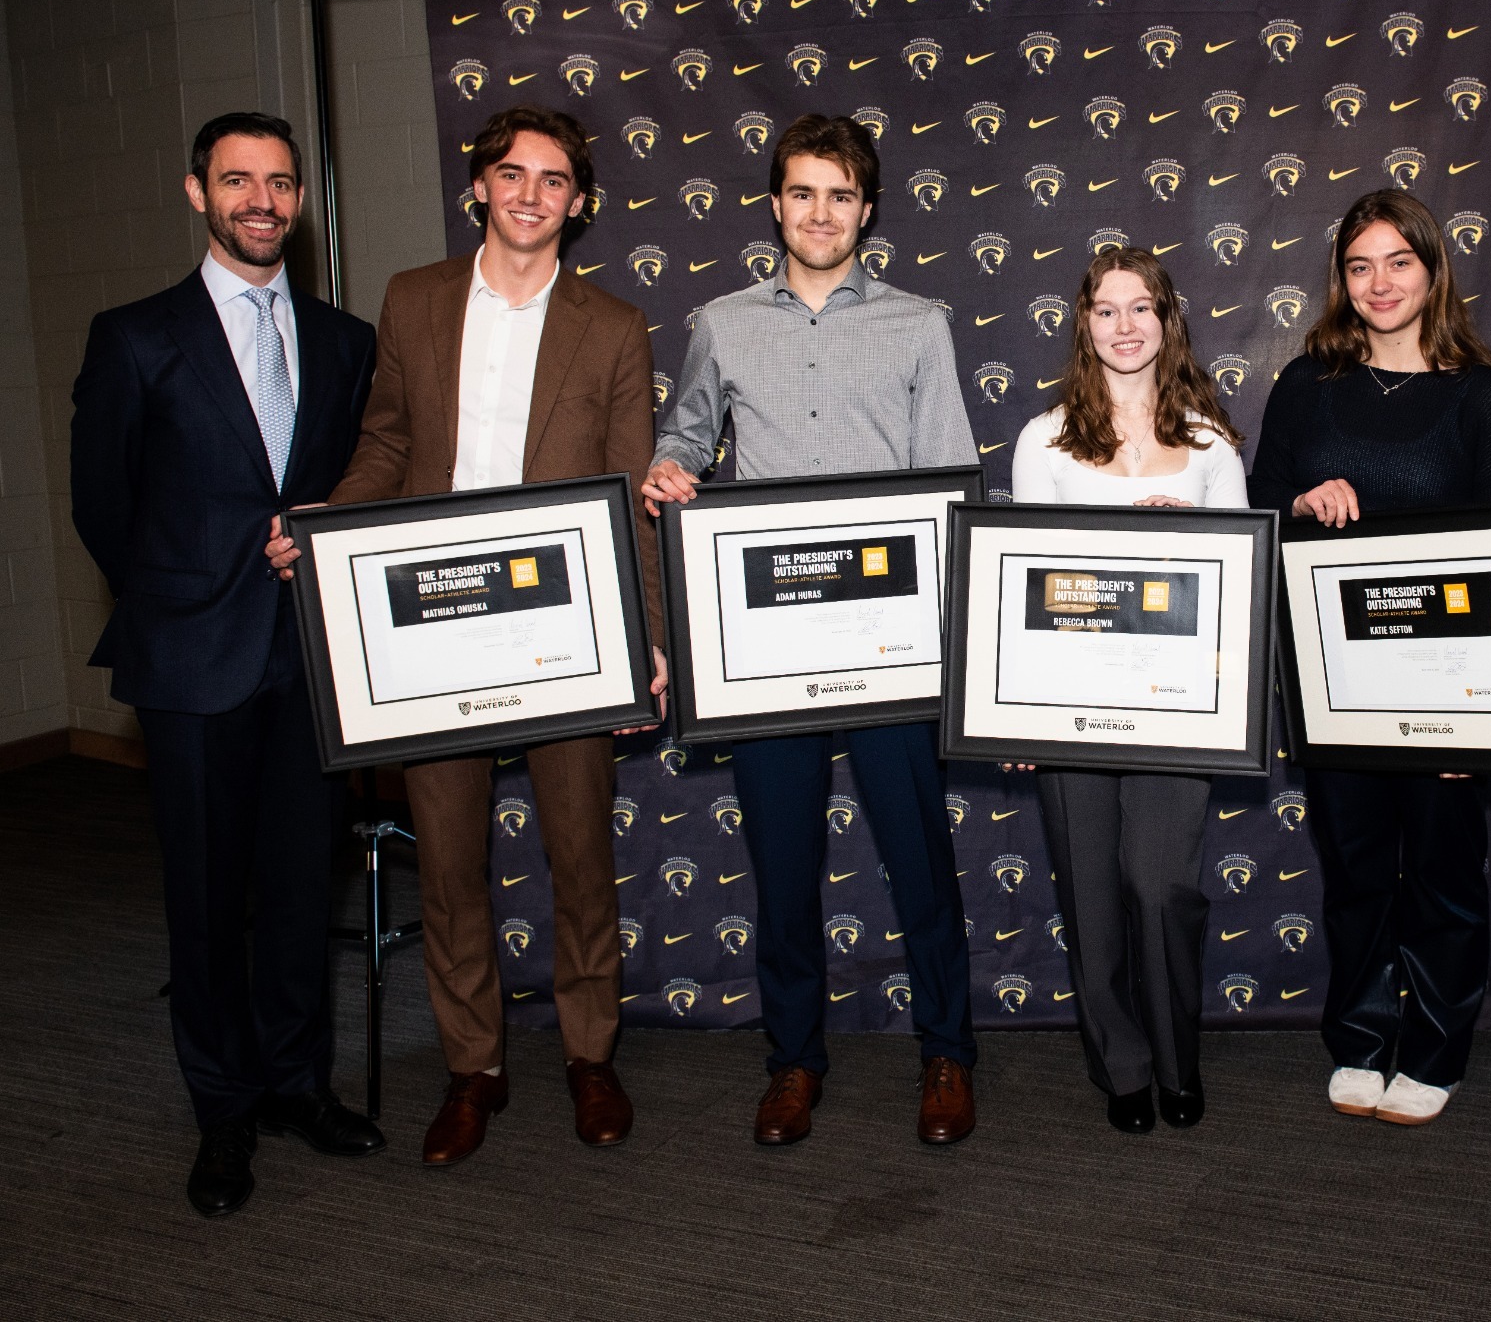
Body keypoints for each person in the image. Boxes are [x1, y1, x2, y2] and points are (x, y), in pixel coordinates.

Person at [268, 106, 666, 1167]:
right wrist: (328, 525)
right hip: (437, 628)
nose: (530, 193)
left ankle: (590, 1055)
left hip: (566, 630)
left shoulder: (615, 324)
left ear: (577, 203)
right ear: (476, 187)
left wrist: (648, 638)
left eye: (552, 179)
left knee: (581, 855)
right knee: (446, 865)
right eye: (510, 174)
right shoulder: (414, 300)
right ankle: (472, 1068)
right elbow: (385, 444)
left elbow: (631, 494)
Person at [70, 113, 384, 1216]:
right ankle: (222, 1109)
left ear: (299, 200)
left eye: (282, 183)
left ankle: (298, 1085)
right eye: (239, 180)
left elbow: (359, 485)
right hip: (190, 660)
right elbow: (102, 510)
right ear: (197, 192)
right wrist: (195, 583)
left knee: (303, 889)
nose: (263, 200)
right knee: (206, 901)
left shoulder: (345, 341)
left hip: (311, 662)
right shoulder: (134, 336)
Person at [645, 114, 979, 1147]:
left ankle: (947, 1054)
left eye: (839, 194)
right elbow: (685, 434)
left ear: (866, 210)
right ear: (775, 204)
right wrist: (671, 467)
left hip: (889, 644)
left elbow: (951, 486)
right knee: (781, 867)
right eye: (801, 193)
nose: (819, 213)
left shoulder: (920, 323)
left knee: (920, 862)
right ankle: (792, 1061)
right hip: (771, 648)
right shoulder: (721, 322)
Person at [1247, 188, 1491, 1126]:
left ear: (1431, 269)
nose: (1379, 283)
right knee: (1358, 867)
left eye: (1398, 261)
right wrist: (1301, 501)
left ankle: (1439, 1047)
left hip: (1449, 683)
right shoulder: (1308, 384)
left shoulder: (1485, 395)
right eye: (1360, 264)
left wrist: (1489, 716)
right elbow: (1261, 501)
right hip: (1336, 679)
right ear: (1341, 278)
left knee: (1446, 871)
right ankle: (1362, 1038)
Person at [1008, 248, 1246, 1134]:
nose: (1125, 326)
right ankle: (1124, 1067)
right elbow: (1026, 585)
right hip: (1071, 700)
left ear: (1168, 317)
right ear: (1084, 323)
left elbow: (1239, 590)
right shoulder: (1045, 439)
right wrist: (1021, 707)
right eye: (1106, 310)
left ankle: (1180, 1059)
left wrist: (1198, 541)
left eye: (1141, 307)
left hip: (1178, 702)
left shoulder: (1212, 443)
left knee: (1160, 887)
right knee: (1093, 897)